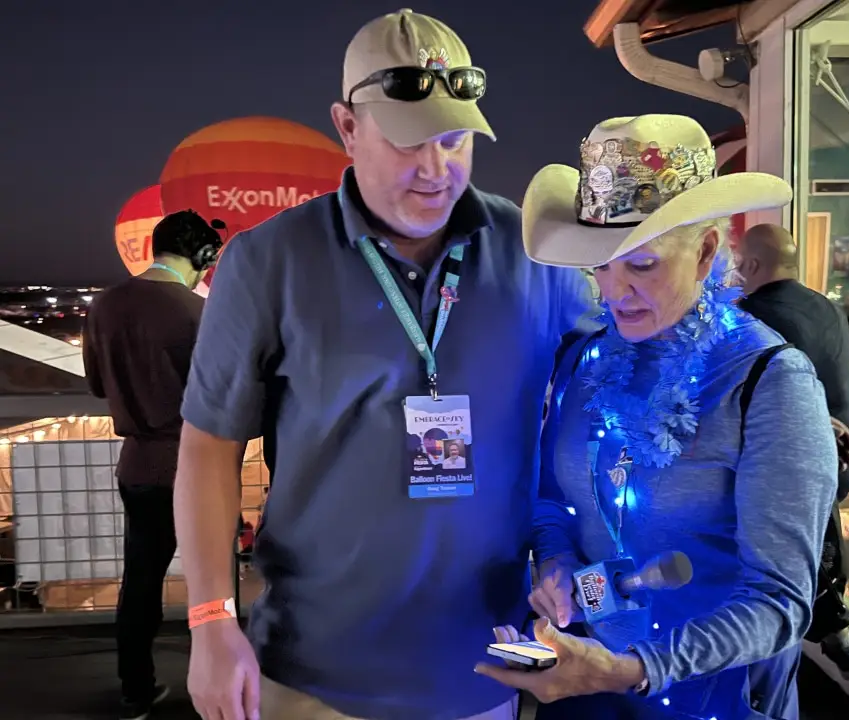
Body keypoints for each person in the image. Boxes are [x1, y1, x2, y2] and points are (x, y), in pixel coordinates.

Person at [174, 9, 593, 720]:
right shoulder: (268, 261)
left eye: (456, 139)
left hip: (488, 672)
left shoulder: (536, 253)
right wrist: (211, 619)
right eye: (408, 142)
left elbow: (616, 390)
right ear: (347, 126)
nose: (436, 169)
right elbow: (209, 448)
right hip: (311, 677)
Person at [474, 115, 837, 720]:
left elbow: (780, 601)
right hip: (585, 692)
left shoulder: (770, 381)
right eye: (600, 265)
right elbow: (550, 502)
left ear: (706, 252)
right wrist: (558, 565)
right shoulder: (582, 359)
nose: (614, 293)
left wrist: (637, 669)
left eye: (641, 265)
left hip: (711, 701)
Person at [82, 209, 224, 720]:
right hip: (195, 467)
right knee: (215, 587)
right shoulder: (198, 313)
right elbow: (222, 398)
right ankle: (222, 688)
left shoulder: (102, 305)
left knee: (139, 582)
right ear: (204, 257)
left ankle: (135, 691)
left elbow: (99, 385)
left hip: (136, 466)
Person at [735, 223, 849, 678]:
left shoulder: (746, 318)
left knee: (775, 561)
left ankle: (786, 652)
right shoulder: (833, 311)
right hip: (837, 463)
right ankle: (835, 635)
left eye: (740, 263)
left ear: (752, 265)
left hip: (785, 470)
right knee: (816, 542)